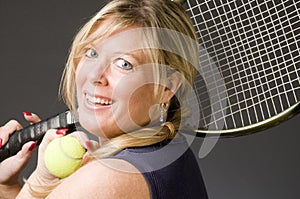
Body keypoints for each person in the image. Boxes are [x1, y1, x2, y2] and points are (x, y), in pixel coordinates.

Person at [0, 0, 208, 198]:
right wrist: (6, 186)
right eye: (92, 53)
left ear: (167, 87)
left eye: (124, 64)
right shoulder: (168, 152)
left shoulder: (107, 178)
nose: (95, 76)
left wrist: (40, 181)